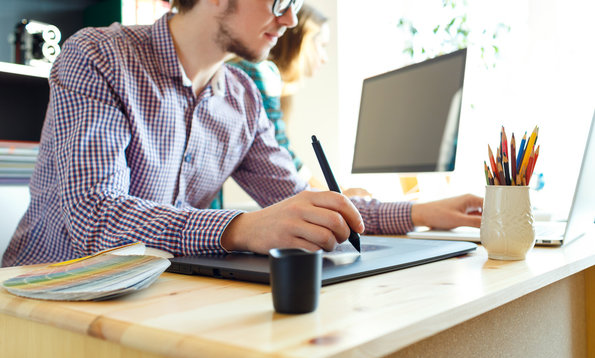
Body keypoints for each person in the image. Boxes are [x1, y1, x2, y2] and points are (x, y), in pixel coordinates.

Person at [2, 0, 483, 267]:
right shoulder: (98, 57)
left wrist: (425, 212)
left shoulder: (243, 99)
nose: (291, 19)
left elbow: (299, 201)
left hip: (156, 295)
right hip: (46, 297)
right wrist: (241, 228)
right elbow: (94, 217)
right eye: (281, 0)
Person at [227, 4, 367, 196]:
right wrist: (332, 194)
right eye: (321, 45)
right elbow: (281, 157)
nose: (324, 58)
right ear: (300, 41)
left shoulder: (274, 86)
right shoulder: (261, 74)